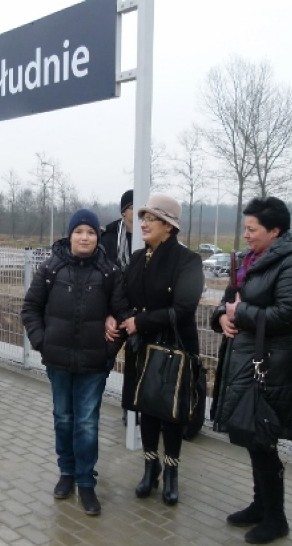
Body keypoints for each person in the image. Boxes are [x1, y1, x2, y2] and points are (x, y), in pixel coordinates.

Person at [210, 196, 292, 544]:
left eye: (252, 229)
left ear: (275, 231)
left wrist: (239, 314)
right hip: (245, 362)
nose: (246, 235)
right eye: (245, 227)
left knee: (264, 441)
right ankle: (260, 505)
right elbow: (227, 302)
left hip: (275, 368)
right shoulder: (245, 261)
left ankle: (276, 518)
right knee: (254, 439)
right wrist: (222, 317)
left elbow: (288, 316)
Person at [21, 209, 129, 516]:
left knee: (86, 422)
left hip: (94, 363)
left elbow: (122, 315)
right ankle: (66, 473)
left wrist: (110, 351)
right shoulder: (51, 268)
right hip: (58, 361)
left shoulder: (110, 272)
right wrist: (43, 343)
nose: (85, 237)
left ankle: (86, 481)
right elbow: (30, 308)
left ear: (98, 236)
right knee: (63, 418)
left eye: (91, 232)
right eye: (79, 231)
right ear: (70, 235)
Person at [113, 193, 204, 507]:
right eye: (142, 218)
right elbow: (121, 294)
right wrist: (125, 318)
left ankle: (172, 472)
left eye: (150, 219)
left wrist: (140, 321)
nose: (143, 224)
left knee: (171, 414)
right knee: (146, 407)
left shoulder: (188, 261)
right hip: (142, 346)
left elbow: (183, 308)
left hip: (173, 349)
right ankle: (149, 467)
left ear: (168, 226)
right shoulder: (138, 258)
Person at [100, 189, 133, 271]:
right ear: (123, 212)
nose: (138, 210)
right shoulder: (108, 238)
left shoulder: (146, 237)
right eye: (132, 207)